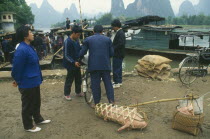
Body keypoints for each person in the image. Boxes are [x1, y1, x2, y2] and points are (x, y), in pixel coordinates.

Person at [11, 25, 51, 133]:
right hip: (26, 82)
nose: (32, 34)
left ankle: (38, 119)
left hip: (34, 80)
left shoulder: (29, 47)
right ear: (25, 35)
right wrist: (17, 80)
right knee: (27, 105)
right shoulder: (21, 49)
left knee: (36, 102)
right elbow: (16, 68)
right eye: (30, 32)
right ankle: (28, 126)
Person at [79, 25, 114, 107]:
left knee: (95, 85)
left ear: (93, 31)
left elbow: (82, 52)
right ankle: (111, 101)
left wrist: (79, 59)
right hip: (105, 66)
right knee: (108, 84)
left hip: (93, 66)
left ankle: (96, 103)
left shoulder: (88, 39)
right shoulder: (108, 39)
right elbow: (112, 53)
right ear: (102, 31)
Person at [63, 25, 84, 101]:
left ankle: (78, 92)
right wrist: (73, 62)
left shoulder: (77, 41)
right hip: (70, 64)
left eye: (79, 35)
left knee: (78, 78)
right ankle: (66, 94)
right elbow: (66, 55)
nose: (78, 36)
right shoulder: (67, 41)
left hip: (77, 63)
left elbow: (79, 50)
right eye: (78, 35)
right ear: (73, 33)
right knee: (70, 79)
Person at [111, 19, 126, 89]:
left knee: (116, 68)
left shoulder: (120, 33)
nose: (112, 28)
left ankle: (116, 82)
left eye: (113, 27)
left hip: (118, 54)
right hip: (120, 53)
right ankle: (119, 81)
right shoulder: (120, 32)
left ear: (116, 26)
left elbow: (120, 44)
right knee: (119, 68)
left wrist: (113, 48)